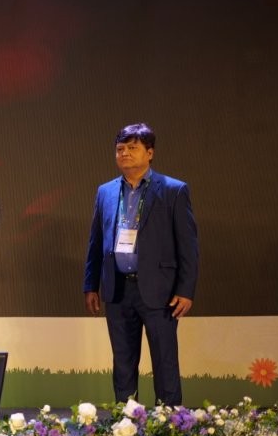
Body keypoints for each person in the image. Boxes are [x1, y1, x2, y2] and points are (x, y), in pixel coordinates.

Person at [84, 123, 198, 406]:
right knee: (123, 362)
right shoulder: (106, 192)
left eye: (132, 148)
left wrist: (186, 290)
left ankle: (170, 423)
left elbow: (188, 245)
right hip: (117, 289)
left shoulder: (173, 190)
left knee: (165, 361)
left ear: (150, 153)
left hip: (160, 291)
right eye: (120, 148)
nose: (124, 153)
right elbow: (96, 242)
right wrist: (91, 285)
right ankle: (126, 421)